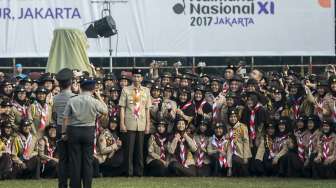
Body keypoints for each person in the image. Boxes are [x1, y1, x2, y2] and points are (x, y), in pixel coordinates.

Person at [63, 78, 108, 188]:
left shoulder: (72, 100)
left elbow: (65, 117)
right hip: (88, 131)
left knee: (75, 161)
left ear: (80, 87)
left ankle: (75, 186)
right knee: (88, 162)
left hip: (74, 131)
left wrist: (64, 133)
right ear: (93, 89)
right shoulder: (94, 101)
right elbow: (105, 110)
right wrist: (98, 96)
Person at [119, 69, 151, 177]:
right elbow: (122, 107)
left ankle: (139, 172)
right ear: (132, 77)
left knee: (140, 150)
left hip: (141, 123)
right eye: (135, 76)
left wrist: (148, 125)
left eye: (139, 76)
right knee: (129, 150)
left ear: (142, 78)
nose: (137, 78)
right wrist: (122, 123)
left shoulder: (146, 90)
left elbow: (147, 109)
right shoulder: (126, 90)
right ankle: (129, 172)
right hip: (129, 123)